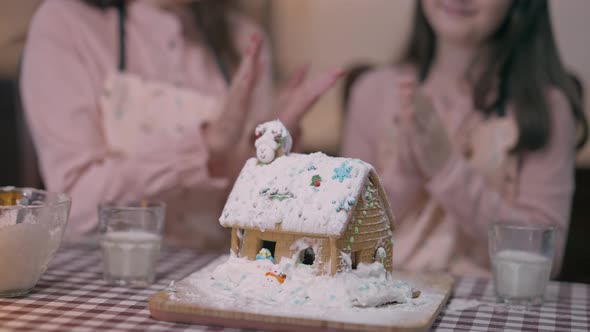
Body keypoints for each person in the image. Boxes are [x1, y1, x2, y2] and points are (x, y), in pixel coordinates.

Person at [21, 0, 341, 250]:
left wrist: (270, 154)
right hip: (101, 276)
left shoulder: (243, 37)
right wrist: (205, 145)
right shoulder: (67, 24)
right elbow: (75, 205)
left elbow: (250, 218)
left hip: (210, 280)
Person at [342, 0, 587, 276]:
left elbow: (547, 257)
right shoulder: (373, 92)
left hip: (492, 307)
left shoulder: (547, 109)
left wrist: (447, 168)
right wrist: (407, 174)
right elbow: (346, 237)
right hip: (380, 294)